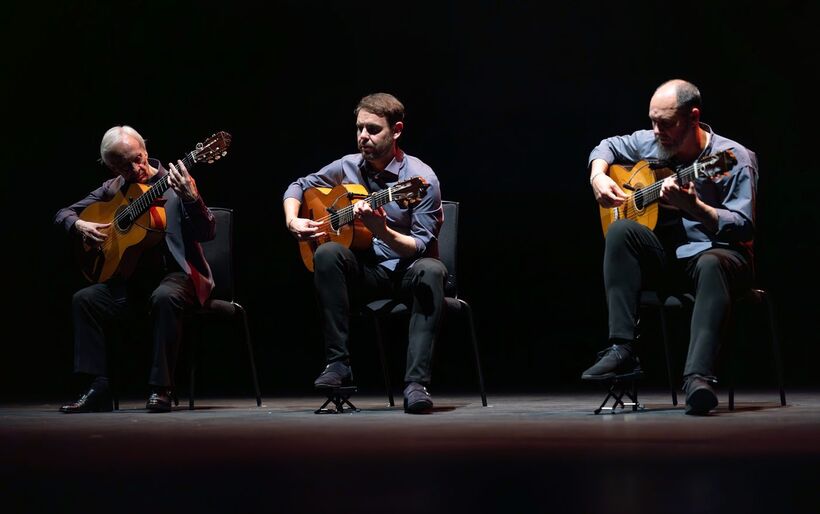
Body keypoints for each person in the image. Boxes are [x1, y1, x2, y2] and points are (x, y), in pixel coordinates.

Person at [582, 79, 758, 415]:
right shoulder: (654, 142)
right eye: (653, 121)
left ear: (693, 118)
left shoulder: (732, 158)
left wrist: (698, 209)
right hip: (675, 258)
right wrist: (598, 176)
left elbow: (743, 225)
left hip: (724, 258)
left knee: (710, 262)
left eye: (666, 123)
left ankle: (698, 379)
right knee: (621, 230)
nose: (656, 131)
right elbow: (607, 146)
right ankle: (622, 348)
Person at [283, 92, 445, 414]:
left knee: (432, 270)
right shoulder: (347, 166)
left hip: (406, 272)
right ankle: (338, 367)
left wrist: (382, 229)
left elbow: (420, 245)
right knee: (328, 252)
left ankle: (415, 385)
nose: (363, 137)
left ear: (396, 130)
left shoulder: (420, 179)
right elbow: (299, 185)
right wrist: (293, 220)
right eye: (359, 129)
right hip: (367, 273)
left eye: (373, 130)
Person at [55, 125, 216, 413]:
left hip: (178, 276)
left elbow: (206, 233)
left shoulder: (176, 181)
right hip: (133, 282)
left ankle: (161, 388)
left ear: (145, 150)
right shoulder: (113, 188)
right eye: (123, 166)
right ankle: (98, 388)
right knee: (85, 299)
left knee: (164, 297)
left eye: (138, 158)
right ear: (110, 167)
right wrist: (79, 225)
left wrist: (192, 199)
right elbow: (63, 214)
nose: (135, 168)